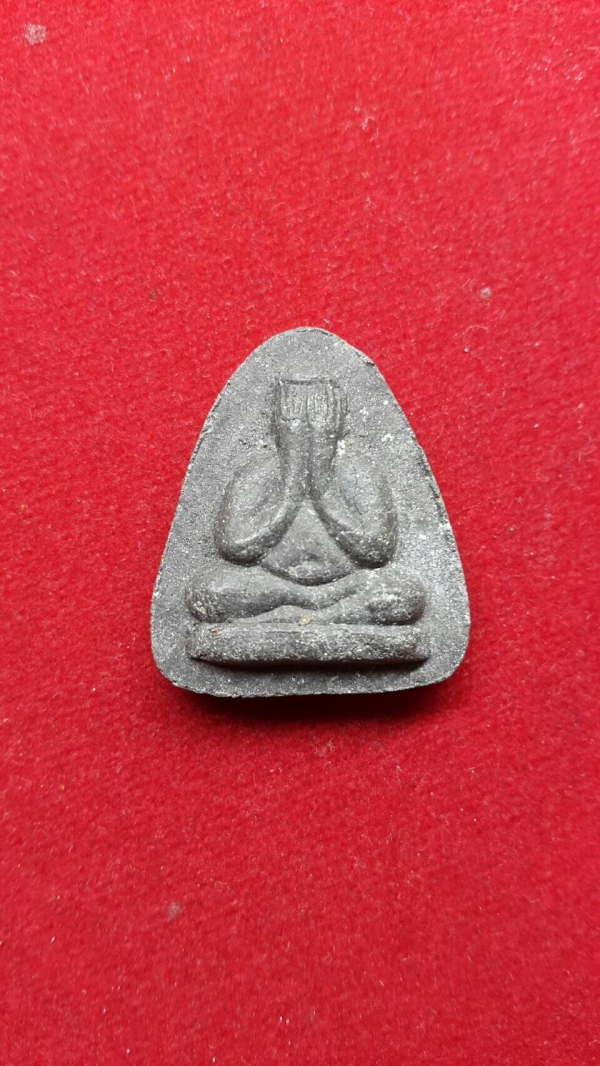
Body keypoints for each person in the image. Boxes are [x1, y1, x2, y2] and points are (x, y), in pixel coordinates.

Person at [186, 379, 425, 626]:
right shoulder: (257, 472)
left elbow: (378, 549)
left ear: (341, 424)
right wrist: (291, 489)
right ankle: (303, 604)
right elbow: (233, 547)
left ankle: (315, 617)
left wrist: (322, 488)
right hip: (272, 584)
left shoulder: (360, 472)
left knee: (406, 592)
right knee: (207, 590)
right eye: (291, 420)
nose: (306, 429)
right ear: (275, 423)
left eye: (321, 420)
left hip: (346, 585)